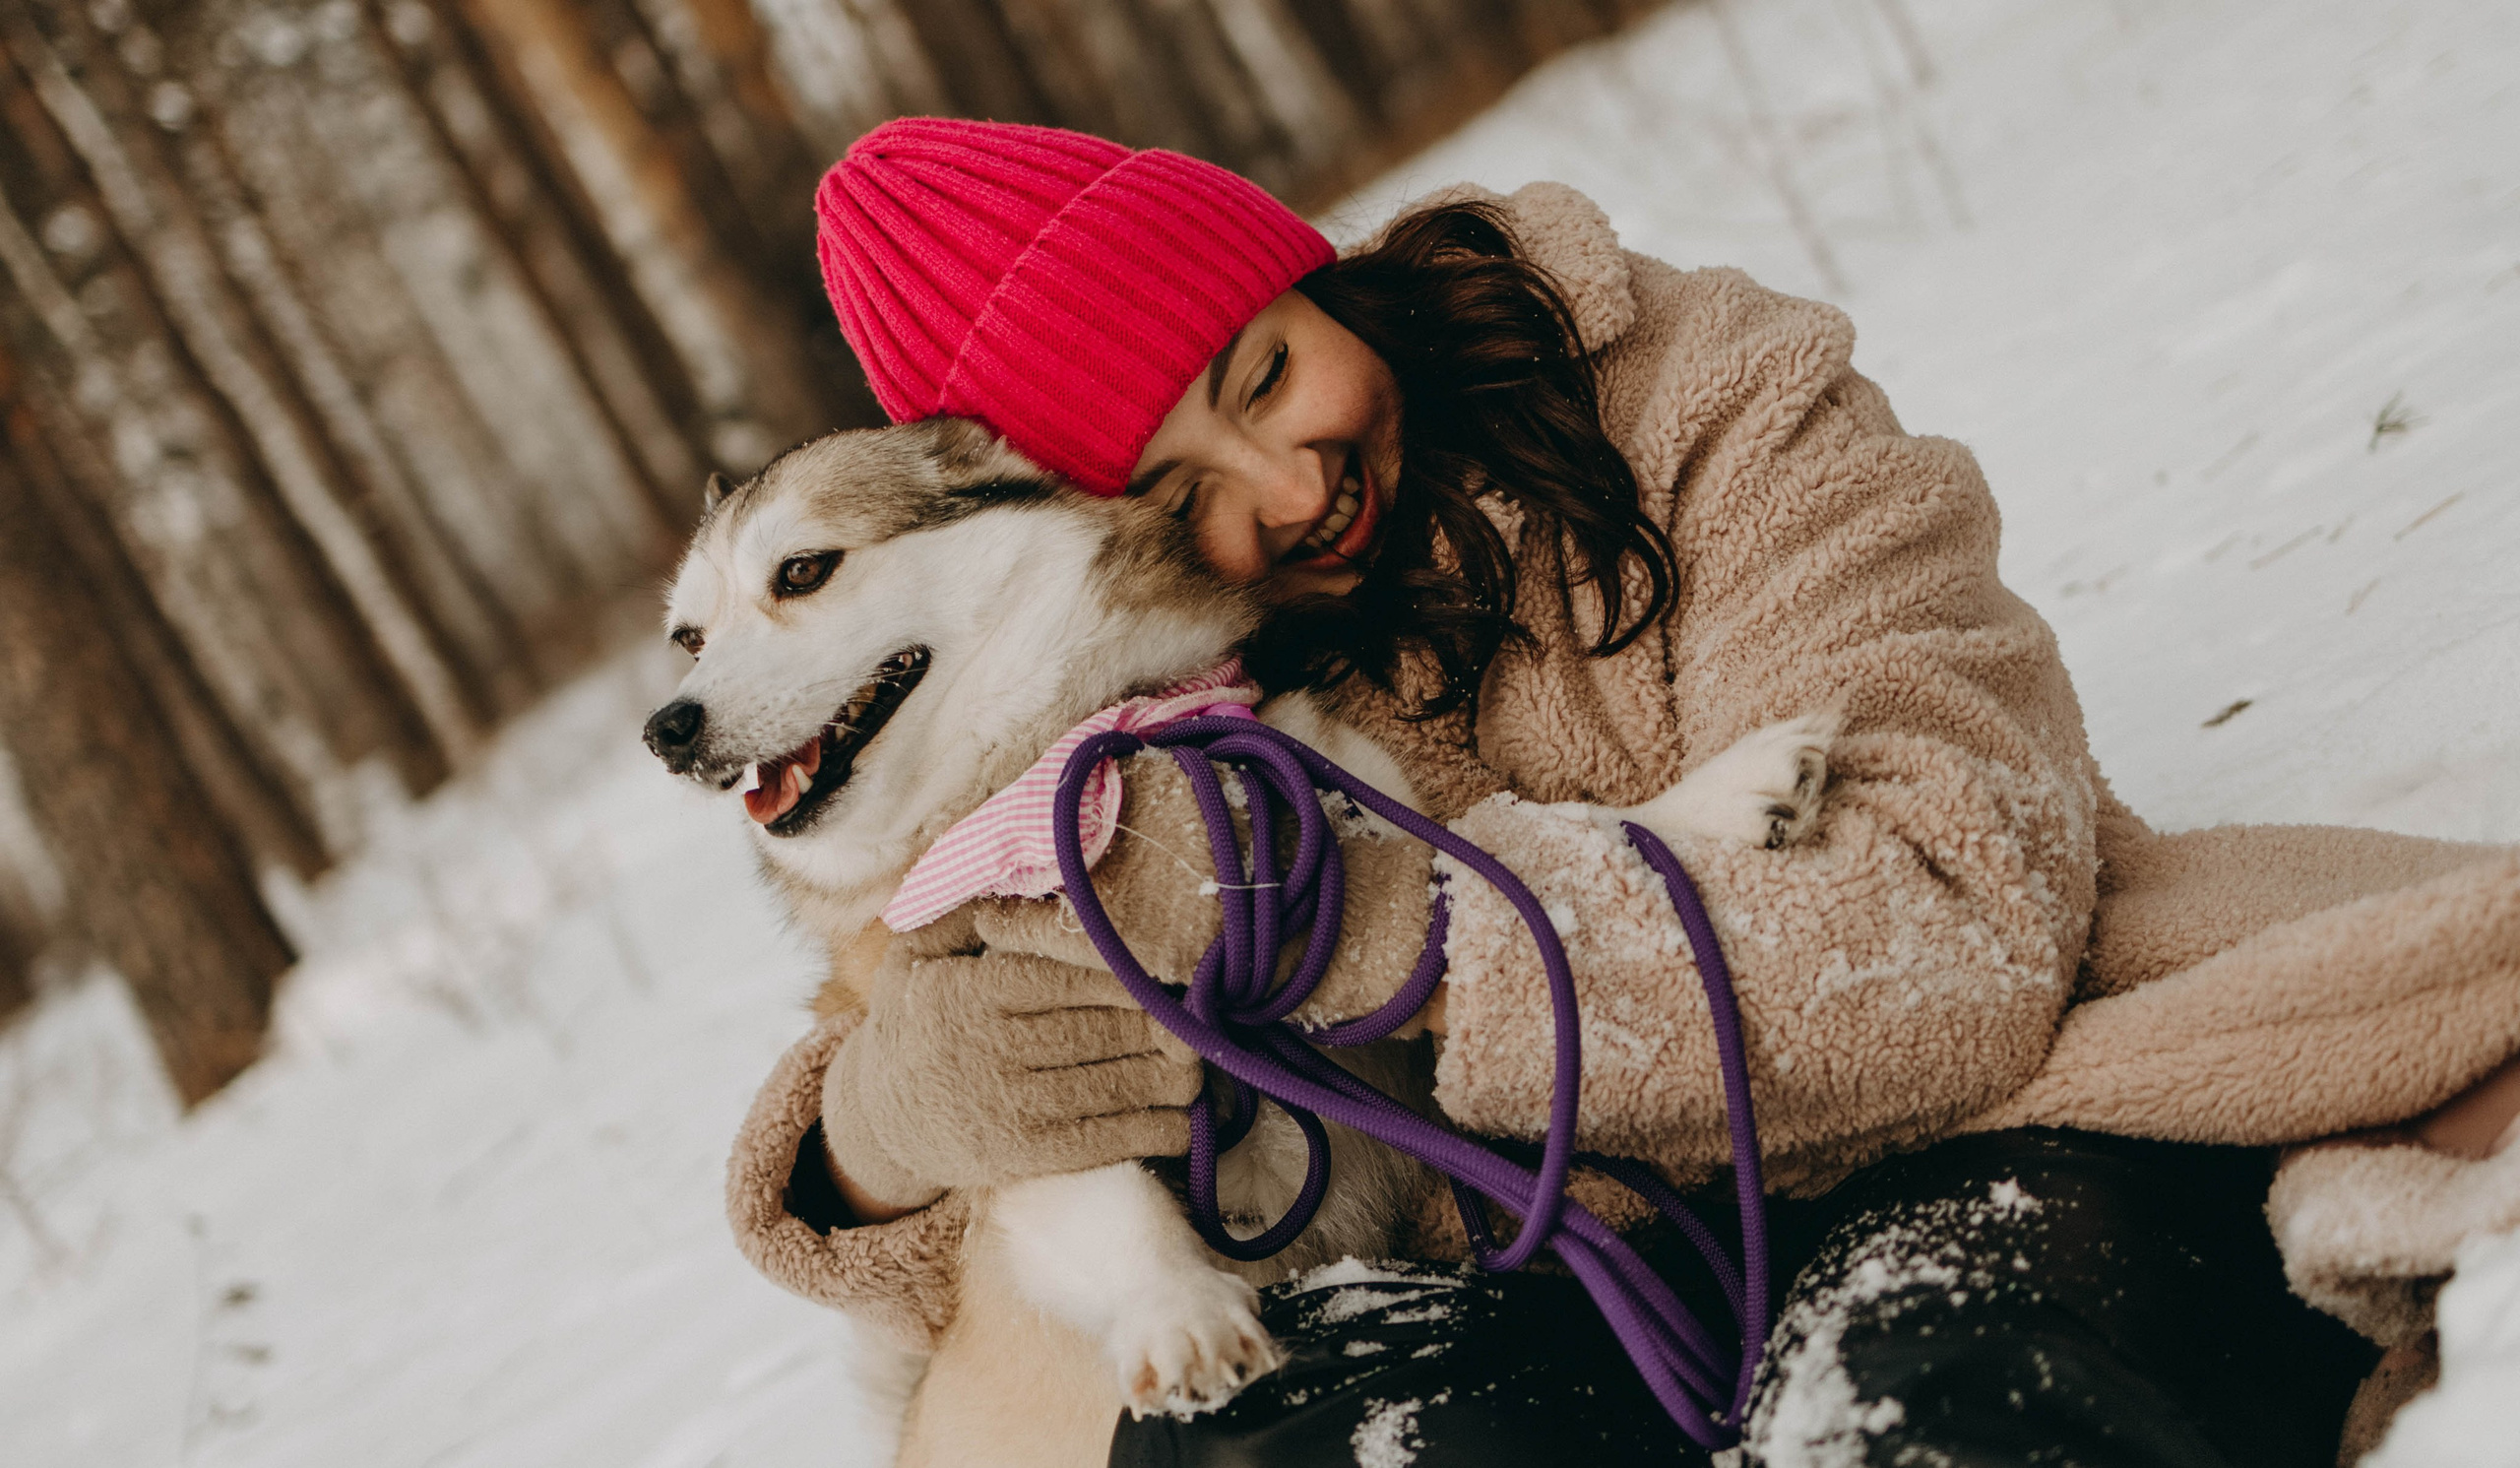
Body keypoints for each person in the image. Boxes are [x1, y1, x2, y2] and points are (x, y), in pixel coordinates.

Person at [724, 118, 2520, 1465]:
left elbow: (1950, 919)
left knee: (1921, 1408)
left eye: (1267, 372)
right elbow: (979, 1074)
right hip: (1541, 1287)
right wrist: (877, 1136)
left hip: (1983, 1143)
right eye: (1175, 493)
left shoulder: (1710, 405)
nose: (1278, 487)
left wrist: (1380, 924)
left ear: (1305, 272)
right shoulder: (1154, 703)